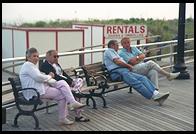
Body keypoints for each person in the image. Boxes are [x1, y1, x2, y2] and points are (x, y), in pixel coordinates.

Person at [19, 47, 86, 125]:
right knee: (62, 95)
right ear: (28, 57)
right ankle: (65, 115)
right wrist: (49, 76)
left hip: (41, 88)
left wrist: (49, 78)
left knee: (62, 83)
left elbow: (40, 77)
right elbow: (38, 78)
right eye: (34, 56)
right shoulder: (28, 65)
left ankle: (72, 104)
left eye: (37, 56)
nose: (36, 58)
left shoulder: (32, 66)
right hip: (35, 92)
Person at [104, 40, 170, 106]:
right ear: (112, 45)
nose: (118, 47)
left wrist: (128, 66)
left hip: (124, 71)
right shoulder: (109, 51)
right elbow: (117, 62)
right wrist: (129, 66)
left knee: (143, 78)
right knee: (136, 82)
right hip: (117, 72)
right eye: (117, 45)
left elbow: (120, 62)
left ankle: (156, 94)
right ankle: (154, 96)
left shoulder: (114, 52)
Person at [40, 50, 90, 122]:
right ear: (48, 57)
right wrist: (69, 82)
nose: (57, 58)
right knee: (76, 93)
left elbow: (64, 74)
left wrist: (71, 81)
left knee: (79, 80)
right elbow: (56, 77)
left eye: (58, 56)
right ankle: (78, 116)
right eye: (55, 56)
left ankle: (75, 92)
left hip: (66, 84)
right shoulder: (45, 65)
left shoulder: (57, 64)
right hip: (58, 85)